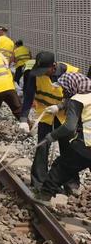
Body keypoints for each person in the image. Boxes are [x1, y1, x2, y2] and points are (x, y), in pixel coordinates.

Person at [19, 51, 80, 191]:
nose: (41, 74)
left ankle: (71, 183)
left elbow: (78, 97)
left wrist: (59, 106)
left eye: (44, 71)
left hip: (65, 116)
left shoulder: (70, 73)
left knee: (67, 148)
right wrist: (23, 118)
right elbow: (28, 96)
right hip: (45, 114)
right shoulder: (34, 74)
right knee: (42, 145)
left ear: (53, 66)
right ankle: (39, 182)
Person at [35, 72, 91, 203]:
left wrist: (51, 136)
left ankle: (43, 197)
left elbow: (69, 127)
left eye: (65, 88)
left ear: (72, 85)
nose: (64, 91)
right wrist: (60, 106)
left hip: (86, 145)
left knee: (60, 168)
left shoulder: (78, 99)